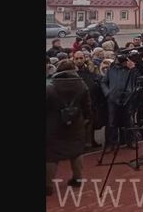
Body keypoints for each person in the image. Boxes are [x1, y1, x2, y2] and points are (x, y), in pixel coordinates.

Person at [46, 61, 91, 196]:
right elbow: (87, 106)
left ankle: (48, 186)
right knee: (76, 151)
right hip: (76, 123)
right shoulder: (82, 85)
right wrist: (86, 119)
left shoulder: (50, 87)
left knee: (51, 155)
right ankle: (78, 178)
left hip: (53, 125)